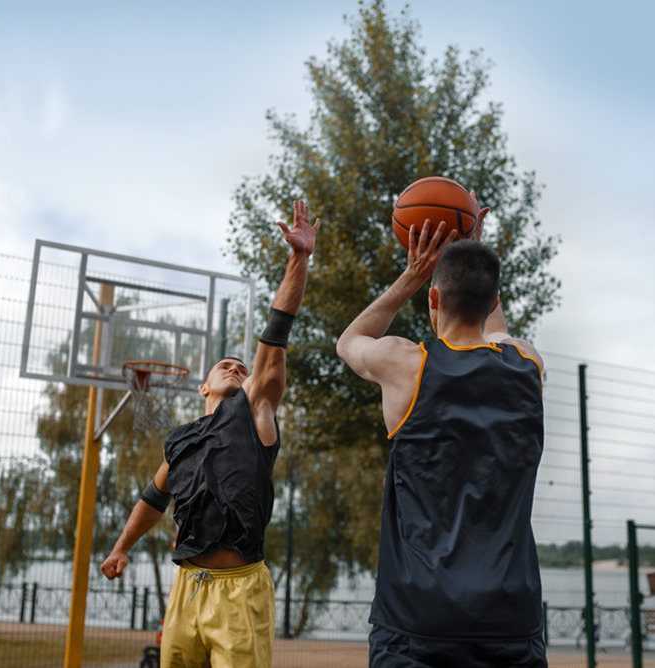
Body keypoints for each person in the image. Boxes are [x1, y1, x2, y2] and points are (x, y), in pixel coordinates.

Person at [100, 200, 320, 668]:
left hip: (239, 592)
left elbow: (274, 338)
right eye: (225, 365)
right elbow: (152, 498)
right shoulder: (180, 441)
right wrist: (121, 548)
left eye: (242, 368)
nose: (236, 367)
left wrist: (298, 258)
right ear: (203, 385)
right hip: (186, 589)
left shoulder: (256, 411)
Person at [336, 209, 547, 667]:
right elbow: (500, 333)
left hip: (417, 617)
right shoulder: (528, 365)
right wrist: (474, 246)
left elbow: (349, 340)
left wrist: (411, 275)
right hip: (510, 617)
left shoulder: (404, 363)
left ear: (434, 298)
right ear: (492, 301)